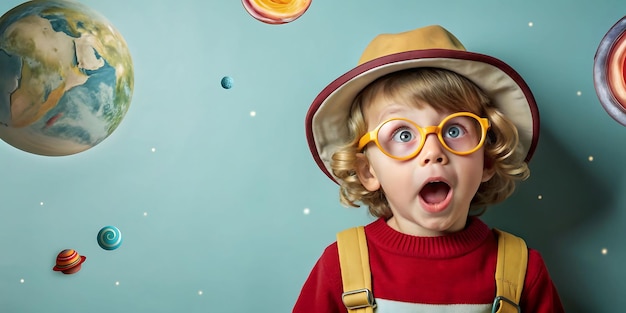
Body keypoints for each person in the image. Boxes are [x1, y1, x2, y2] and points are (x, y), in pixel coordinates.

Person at [294, 25, 564, 312]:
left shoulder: (522, 271)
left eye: (454, 130)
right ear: (368, 171)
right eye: (403, 135)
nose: (433, 152)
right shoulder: (340, 267)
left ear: (486, 160)